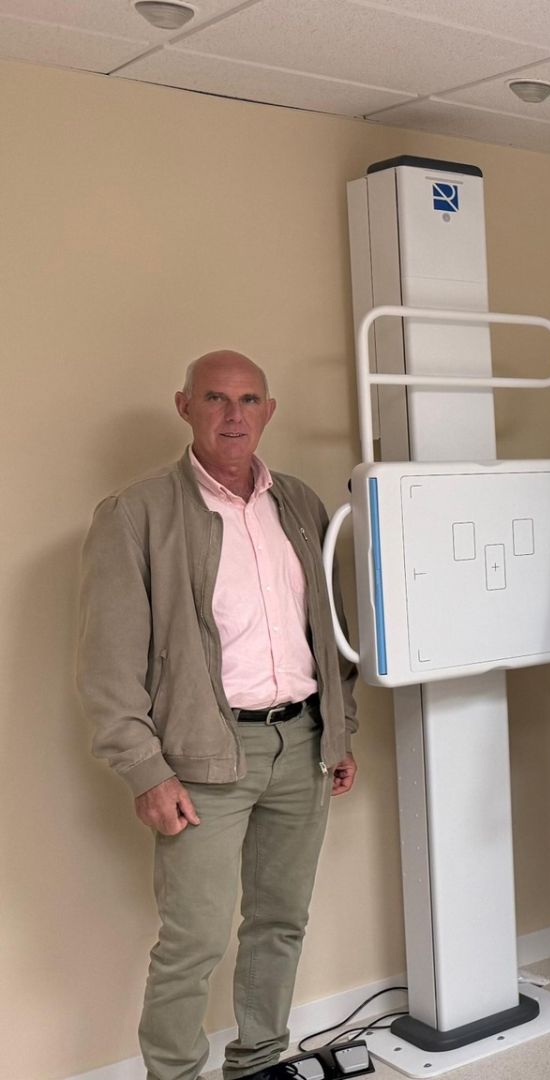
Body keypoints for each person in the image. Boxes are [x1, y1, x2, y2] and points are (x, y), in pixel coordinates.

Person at [77, 351, 359, 1080]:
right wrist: (145, 769)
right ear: (185, 407)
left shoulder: (299, 504)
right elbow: (108, 667)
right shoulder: (135, 514)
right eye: (216, 399)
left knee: (279, 924)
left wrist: (340, 729)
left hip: (302, 746)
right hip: (203, 757)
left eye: (248, 400)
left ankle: (259, 1062)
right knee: (193, 940)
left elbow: (330, 633)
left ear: (270, 411)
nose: (234, 415)